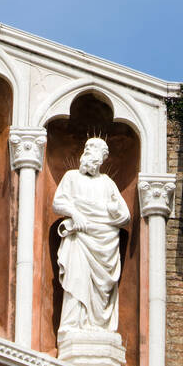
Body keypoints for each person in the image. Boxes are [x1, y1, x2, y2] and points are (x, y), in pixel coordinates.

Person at [53, 137, 130, 333]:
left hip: (104, 241)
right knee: (76, 279)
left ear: (102, 158)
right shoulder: (71, 177)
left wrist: (111, 210)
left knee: (100, 290)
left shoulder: (107, 183)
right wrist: (75, 213)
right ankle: (72, 325)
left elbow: (125, 216)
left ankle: (97, 325)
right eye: (87, 148)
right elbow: (57, 203)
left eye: (94, 150)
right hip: (79, 239)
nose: (88, 151)